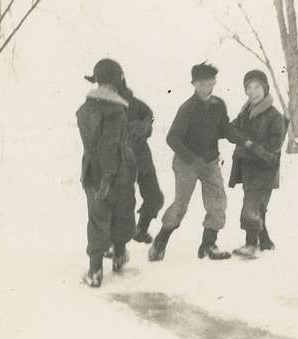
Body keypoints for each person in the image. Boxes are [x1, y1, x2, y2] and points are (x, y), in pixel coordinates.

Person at [148, 62, 250, 262]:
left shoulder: (218, 105)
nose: (207, 88)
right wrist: (193, 160)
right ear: (194, 84)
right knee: (180, 205)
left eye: (211, 83)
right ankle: (160, 242)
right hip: (187, 162)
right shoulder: (187, 108)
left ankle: (208, 244)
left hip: (210, 162)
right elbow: (172, 138)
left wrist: (243, 139)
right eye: (203, 84)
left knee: (218, 201)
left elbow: (224, 129)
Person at [76, 58, 138, 287]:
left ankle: (95, 269)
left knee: (97, 216)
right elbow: (109, 146)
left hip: (91, 170)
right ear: (115, 81)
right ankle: (119, 255)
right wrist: (109, 176)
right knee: (121, 211)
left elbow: (93, 145)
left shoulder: (85, 108)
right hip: (116, 171)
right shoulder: (116, 110)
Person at [228, 69, 286, 258]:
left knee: (250, 207)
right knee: (258, 206)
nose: (253, 92)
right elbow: (232, 129)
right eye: (249, 88)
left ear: (265, 89)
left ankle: (250, 245)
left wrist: (248, 145)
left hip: (264, 169)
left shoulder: (274, 116)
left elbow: (275, 146)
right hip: (248, 169)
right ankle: (266, 242)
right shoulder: (246, 111)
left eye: (257, 87)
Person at [118, 83, 164, 243]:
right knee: (119, 202)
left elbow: (148, 115)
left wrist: (143, 128)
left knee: (155, 198)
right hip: (118, 161)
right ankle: (113, 244)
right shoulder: (102, 106)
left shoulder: (134, 103)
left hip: (141, 157)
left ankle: (141, 231)